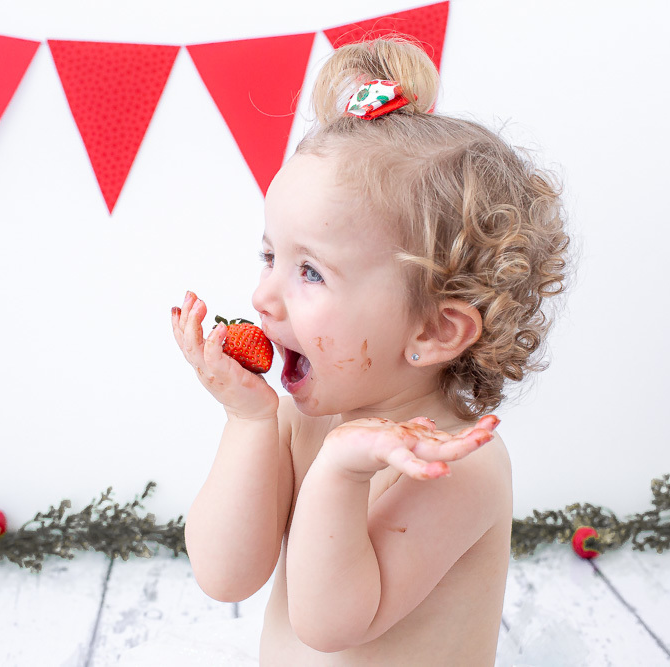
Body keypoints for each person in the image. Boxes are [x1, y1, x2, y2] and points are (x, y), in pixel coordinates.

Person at [170, 37, 569, 665]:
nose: (262, 295)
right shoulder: (302, 417)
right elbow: (225, 575)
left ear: (433, 331)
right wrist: (247, 420)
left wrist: (339, 472)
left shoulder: (457, 467)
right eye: (272, 256)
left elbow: (330, 622)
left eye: (311, 273)